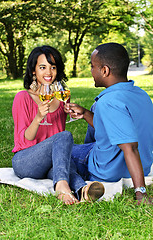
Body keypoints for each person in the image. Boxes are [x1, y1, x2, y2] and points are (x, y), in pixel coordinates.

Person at [12, 45, 105, 205]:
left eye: (52, 67)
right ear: (33, 71)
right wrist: (38, 117)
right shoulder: (22, 98)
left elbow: (60, 150)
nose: (48, 72)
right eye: (42, 67)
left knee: (63, 162)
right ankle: (62, 187)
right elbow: (24, 141)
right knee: (64, 137)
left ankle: (82, 190)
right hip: (25, 161)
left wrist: (74, 113)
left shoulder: (61, 99)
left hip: (51, 161)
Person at [64, 42, 153, 204]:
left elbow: (130, 147)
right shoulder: (141, 94)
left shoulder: (108, 102)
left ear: (104, 71)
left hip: (107, 171)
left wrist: (141, 192)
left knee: (59, 151)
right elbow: (117, 128)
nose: (91, 71)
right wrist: (85, 114)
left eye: (92, 66)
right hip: (143, 166)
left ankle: (77, 186)